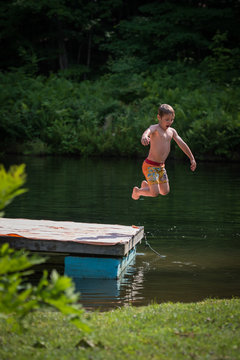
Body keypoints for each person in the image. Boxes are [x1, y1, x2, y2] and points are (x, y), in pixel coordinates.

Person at [132, 104, 196, 200]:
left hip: (161, 166)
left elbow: (182, 143)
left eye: (171, 119)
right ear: (159, 117)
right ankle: (138, 191)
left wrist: (192, 158)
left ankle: (146, 186)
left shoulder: (172, 131)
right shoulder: (156, 128)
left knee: (165, 191)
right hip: (150, 166)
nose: (169, 122)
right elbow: (148, 131)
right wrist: (144, 136)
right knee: (155, 193)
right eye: (167, 119)